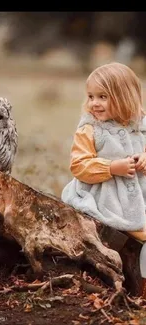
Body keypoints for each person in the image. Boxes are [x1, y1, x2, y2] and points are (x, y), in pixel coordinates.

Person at [61, 62, 146, 291]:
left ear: (124, 97)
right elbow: (79, 165)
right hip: (106, 195)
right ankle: (137, 285)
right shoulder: (90, 129)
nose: (94, 103)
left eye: (102, 96)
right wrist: (111, 167)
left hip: (140, 193)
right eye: (90, 96)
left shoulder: (141, 124)